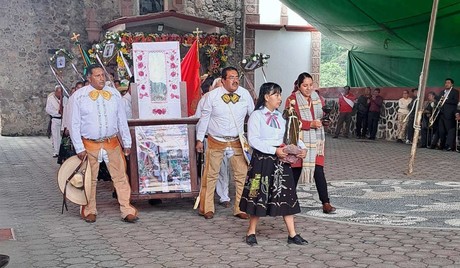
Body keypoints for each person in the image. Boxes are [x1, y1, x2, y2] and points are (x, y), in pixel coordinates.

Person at [239, 82, 308, 246]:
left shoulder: (280, 116)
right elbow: (253, 140)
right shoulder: (256, 116)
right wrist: (273, 150)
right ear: (266, 97)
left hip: (281, 160)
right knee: (257, 193)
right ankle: (251, 231)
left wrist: (301, 148)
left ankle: (292, 234)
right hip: (261, 161)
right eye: (276, 95)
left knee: (287, 194)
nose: (279, 98)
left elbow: (291, 135)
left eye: (279, 94)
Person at [70, 64, 138, 223]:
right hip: (89, 144)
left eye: (103, 75)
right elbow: (74, 124)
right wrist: (79, 147)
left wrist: (127, 142)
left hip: (112, 143)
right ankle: (89, 209)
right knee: (89, 178)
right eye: (98, 75)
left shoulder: (114, 94)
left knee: (120, 176)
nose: (102, 78)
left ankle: (126, 209)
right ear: (89, 78)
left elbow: (122, 120)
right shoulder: (79, 97)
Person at [195, 67, 254, 220]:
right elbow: (204, 119)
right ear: (222, 81)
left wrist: (255, 139)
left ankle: (240, 208)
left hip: (237, 141)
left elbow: (253, 117)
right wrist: (200, 139)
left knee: (242, 175)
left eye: (236, 77)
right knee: (211, 175)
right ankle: (207, 207)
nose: (235, 80)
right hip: (216, 140)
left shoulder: (245, 94)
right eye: (231, 77)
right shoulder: (212, 96)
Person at [286, 72, 336, 214]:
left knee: (319, 171)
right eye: (305, 85)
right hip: (299, 141)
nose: (308, 88)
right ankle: (288, 202)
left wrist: (325, 122)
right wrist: (310, 124)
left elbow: (321, 118)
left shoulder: (317, 98)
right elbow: (291, 121)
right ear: (298, 85)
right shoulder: (292, 99)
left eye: (310, 85)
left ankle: (326, 203)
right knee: (295, 171)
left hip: (316, 142)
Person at [431, 78, 459, 151]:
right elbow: (439, 101)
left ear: (452, 84)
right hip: (441, 113)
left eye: (448, 83)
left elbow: (455, 102)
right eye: (446, 82)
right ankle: (442, 145)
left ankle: (449, 146)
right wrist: (436, 99)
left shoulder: (455, 92)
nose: (446, 84)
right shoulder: (442, 92)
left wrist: (445, 100)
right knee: (441, 131)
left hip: (450, 114)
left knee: (450, 130)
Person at [45, 85, 63, 157]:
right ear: (55, 92)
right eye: (58, 92)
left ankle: (61, 151)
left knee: (61, 136)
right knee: (55, 136)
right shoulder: (51, 99)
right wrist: (56, 112)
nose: (59, 94)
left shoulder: (64, 99)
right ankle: (56, 151)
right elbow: (48, 109)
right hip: (55, 119)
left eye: (61, 92)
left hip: (62, 119)